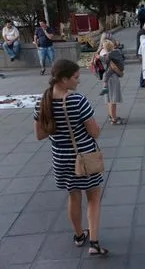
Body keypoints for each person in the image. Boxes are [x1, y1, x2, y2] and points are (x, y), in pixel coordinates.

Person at [33, 59, 108, 255]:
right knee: (93, 197)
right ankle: (93, 242)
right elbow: (94, 132)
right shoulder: (77, 100)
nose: (78, 81)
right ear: (64, 79)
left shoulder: (43, 101)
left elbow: (40, 135)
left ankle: (78, 235)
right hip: (83, 157)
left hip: (60, 157)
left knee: (73, 195)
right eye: (75, 77)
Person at [99, 40, 124, 125]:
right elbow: (113, 66)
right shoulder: (113, 54)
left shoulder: (102, 54)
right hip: (112, 77)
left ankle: (111, 116)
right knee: (113, 99)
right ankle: (114, 118)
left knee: (108, 98)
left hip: (105, 77)